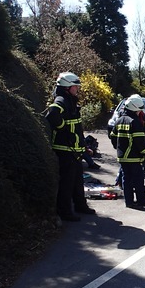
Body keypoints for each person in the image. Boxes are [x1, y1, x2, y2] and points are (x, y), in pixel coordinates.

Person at [45, 72, 96, 222]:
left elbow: (77, 129)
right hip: (65, 150)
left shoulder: (70, 101)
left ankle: (80, 206)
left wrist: (83, 145)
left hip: (74, 150)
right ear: (67, 87)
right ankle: (65, 212)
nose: (77, 89)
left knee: (77, 182)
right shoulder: (61, 100)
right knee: (66, 184)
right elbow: (52, 114)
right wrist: (63, 128)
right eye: (75, 86)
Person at [110, 94, 145, 209]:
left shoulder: (119, 120)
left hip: (122, 157)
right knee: (138, 181)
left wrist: (119, 149)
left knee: (126, 180)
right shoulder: (134, 122)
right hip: (134, 157)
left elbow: (113, 136)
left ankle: (129, 202)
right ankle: (142, 201)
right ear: (136, 108)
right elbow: (140, 142)